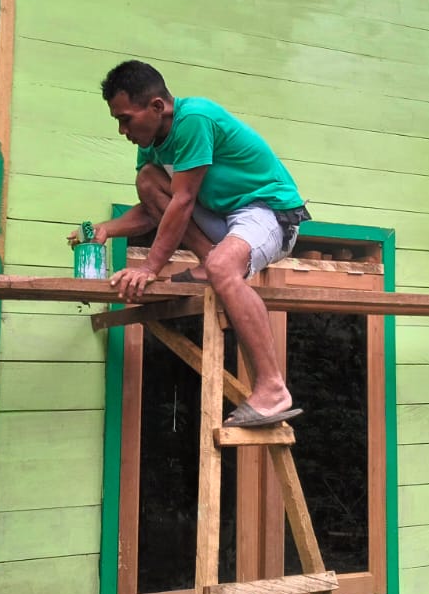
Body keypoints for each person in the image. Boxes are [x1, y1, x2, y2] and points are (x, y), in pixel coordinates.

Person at [71, 61, 311, 427]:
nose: (122, 130)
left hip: (269, 211)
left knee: (220, 268)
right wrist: (107, 229)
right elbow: (156, 209)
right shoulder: (152, 144)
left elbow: (182, 202)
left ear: (156, 107)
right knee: (149, 181)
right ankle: (212, 261)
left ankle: (273, 389)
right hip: (224, 216)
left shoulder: (195, 118)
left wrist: (150, 267)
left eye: (126, 119)